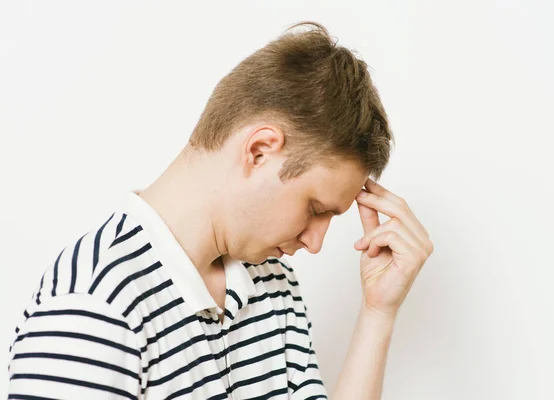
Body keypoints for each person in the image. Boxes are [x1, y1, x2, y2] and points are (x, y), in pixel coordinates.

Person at [7, 21, 433, 399]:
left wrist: (378, 312)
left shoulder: (270, 280)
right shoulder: (94, 307)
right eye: (315, 208)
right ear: (260, 150)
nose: (315, 241)